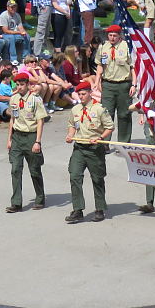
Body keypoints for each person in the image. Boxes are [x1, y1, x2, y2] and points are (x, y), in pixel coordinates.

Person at [64, 81, 115, 223]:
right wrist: (70, 135)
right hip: (79, 147)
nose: (81, 97)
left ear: (90, 93)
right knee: (74, 175)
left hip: (94, 149)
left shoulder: (99, 109)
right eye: (79, 94)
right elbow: (72, 125)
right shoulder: (75, 110)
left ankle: (99, 208)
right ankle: (78, 209)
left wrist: (100, 137)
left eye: (83, 94)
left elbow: (110, 127)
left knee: (97, 178)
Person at [4, 73, 48, 213]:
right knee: (15, 169)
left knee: (34, 170)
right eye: (17, 84)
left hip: (31, 136)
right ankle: (16, 203)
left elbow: (40, 121)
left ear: (28, 84)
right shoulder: (14, 99)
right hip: (17, 137)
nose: (20, 87)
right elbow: (12, 119)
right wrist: (9, 139)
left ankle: (40, 198)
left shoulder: (35, 99)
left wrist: (37, 142)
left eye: (22, 84)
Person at [0, 0, 30, 64]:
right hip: (4, 35)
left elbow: (20, 27)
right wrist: (19, 32)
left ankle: (25, 57)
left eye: (15, 7)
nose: (13, 8)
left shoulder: (17, 15)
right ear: (7, 7)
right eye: (11, 7)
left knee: (27, 36)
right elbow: (5, 31)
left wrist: (24, 32)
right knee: (11, 38)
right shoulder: (3, 16)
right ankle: (13, 59)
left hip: (15, 34)